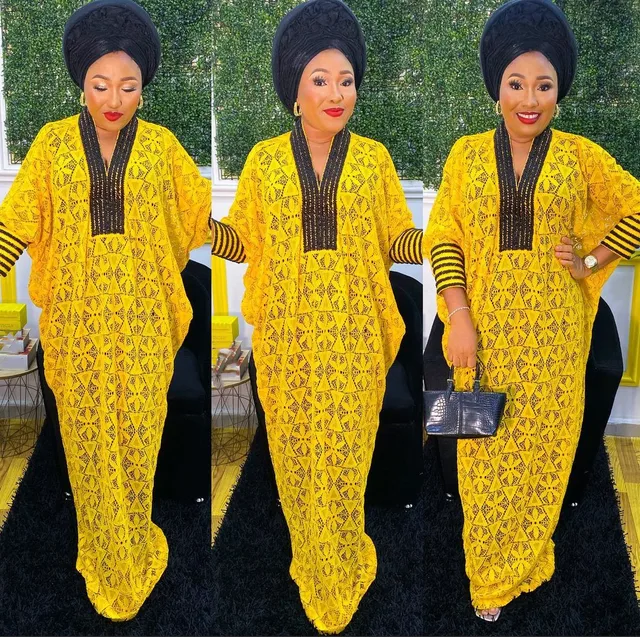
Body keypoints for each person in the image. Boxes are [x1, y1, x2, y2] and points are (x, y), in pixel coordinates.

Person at [423, 0, 640, 622]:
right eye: (516, 83)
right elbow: (444, 237)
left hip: (555, 339)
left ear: (558, 93)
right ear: (496, 87)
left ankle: (526, 556)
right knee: (482, 454)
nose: (529, 98)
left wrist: (592, 260)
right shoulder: (466, 155)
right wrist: (458, 317)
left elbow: (635, 207)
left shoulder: (578, 156)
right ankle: (488, 575)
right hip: (483, 336)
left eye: (544, 85)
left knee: (544, 454)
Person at [211, 0, 422, 631]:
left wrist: (446, 240)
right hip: (288, 343)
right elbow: (243, 243)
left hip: (356, 343)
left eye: (346, 80)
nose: (336, 93)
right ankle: (311, 554)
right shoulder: (264, 161)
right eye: (321, 79)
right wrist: (196, 225)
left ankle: (343, 559)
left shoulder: (374, 160)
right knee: (298, 461)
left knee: (348, 462)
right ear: (295, 90)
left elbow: (396, 241)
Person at [0, 0, 211, 620]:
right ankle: (103, 552)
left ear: (144, 85)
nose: (114, 99)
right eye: (100, 84)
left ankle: (132, 546)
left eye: (128, 85)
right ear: (81, 83)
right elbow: (15, 223)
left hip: (145, 330)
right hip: (78, 331)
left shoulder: (162, 148)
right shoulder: (52, 145)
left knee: (138, 448)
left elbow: (200, 218)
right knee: (90, 453)